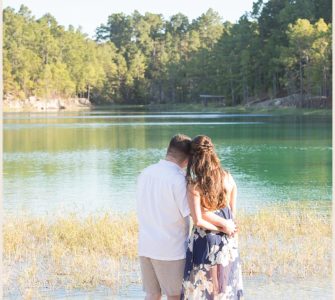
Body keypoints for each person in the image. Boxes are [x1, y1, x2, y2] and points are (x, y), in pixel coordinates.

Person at [136, 134, 237, 300]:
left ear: (169, 150)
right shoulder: (178, 180)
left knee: (152, 294)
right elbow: (197, 214)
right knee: (175, 295)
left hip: (145, 246)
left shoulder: (145, 173)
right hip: (170, 250)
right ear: (188, 158)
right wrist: (224, 224)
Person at [181, 135, 244, 299]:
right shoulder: (227, 177)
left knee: (205, 289)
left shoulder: (194, 185)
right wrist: (227, 226)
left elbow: (198, 220)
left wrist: (221, 227)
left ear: (193, 157)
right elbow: (231, 208)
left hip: (205, 241)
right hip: (227, 239)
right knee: (225, 287)